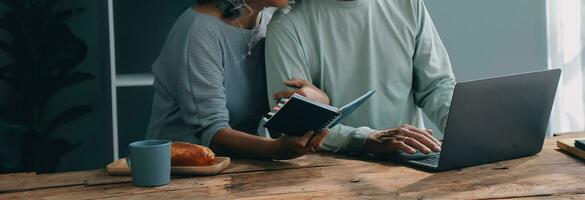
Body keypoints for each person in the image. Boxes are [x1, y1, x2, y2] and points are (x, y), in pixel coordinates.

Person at [266, 0, 454, 155]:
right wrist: (368, 139)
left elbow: (437, 86)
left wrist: (461, 127)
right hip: (328, 170)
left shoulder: (408, 4)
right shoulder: (287, 24)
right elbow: (293, 128)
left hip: (411, 159)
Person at [146, 0, 329, 160]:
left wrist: (319, 101)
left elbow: (277, 116)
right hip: (177, 173)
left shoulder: (268, 24)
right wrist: (276, 149)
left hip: (242, 170)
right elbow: (212, 133)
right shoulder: (199, 30)